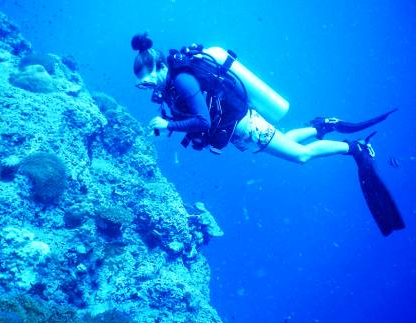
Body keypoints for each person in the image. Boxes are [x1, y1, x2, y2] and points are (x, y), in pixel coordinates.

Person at [130, 33, 404, 236]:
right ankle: (320, 126)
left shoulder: (181, 80)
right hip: (237, 129)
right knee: (283, 141)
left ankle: (354, 148)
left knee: (300, 156)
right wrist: (168, 123)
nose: (145, 84)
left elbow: (201, 121)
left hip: (245, 126)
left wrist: (169, 126)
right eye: (141, 80)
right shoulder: (169, 89)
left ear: (160, 67)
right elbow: (194, 115)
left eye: (146, 76)